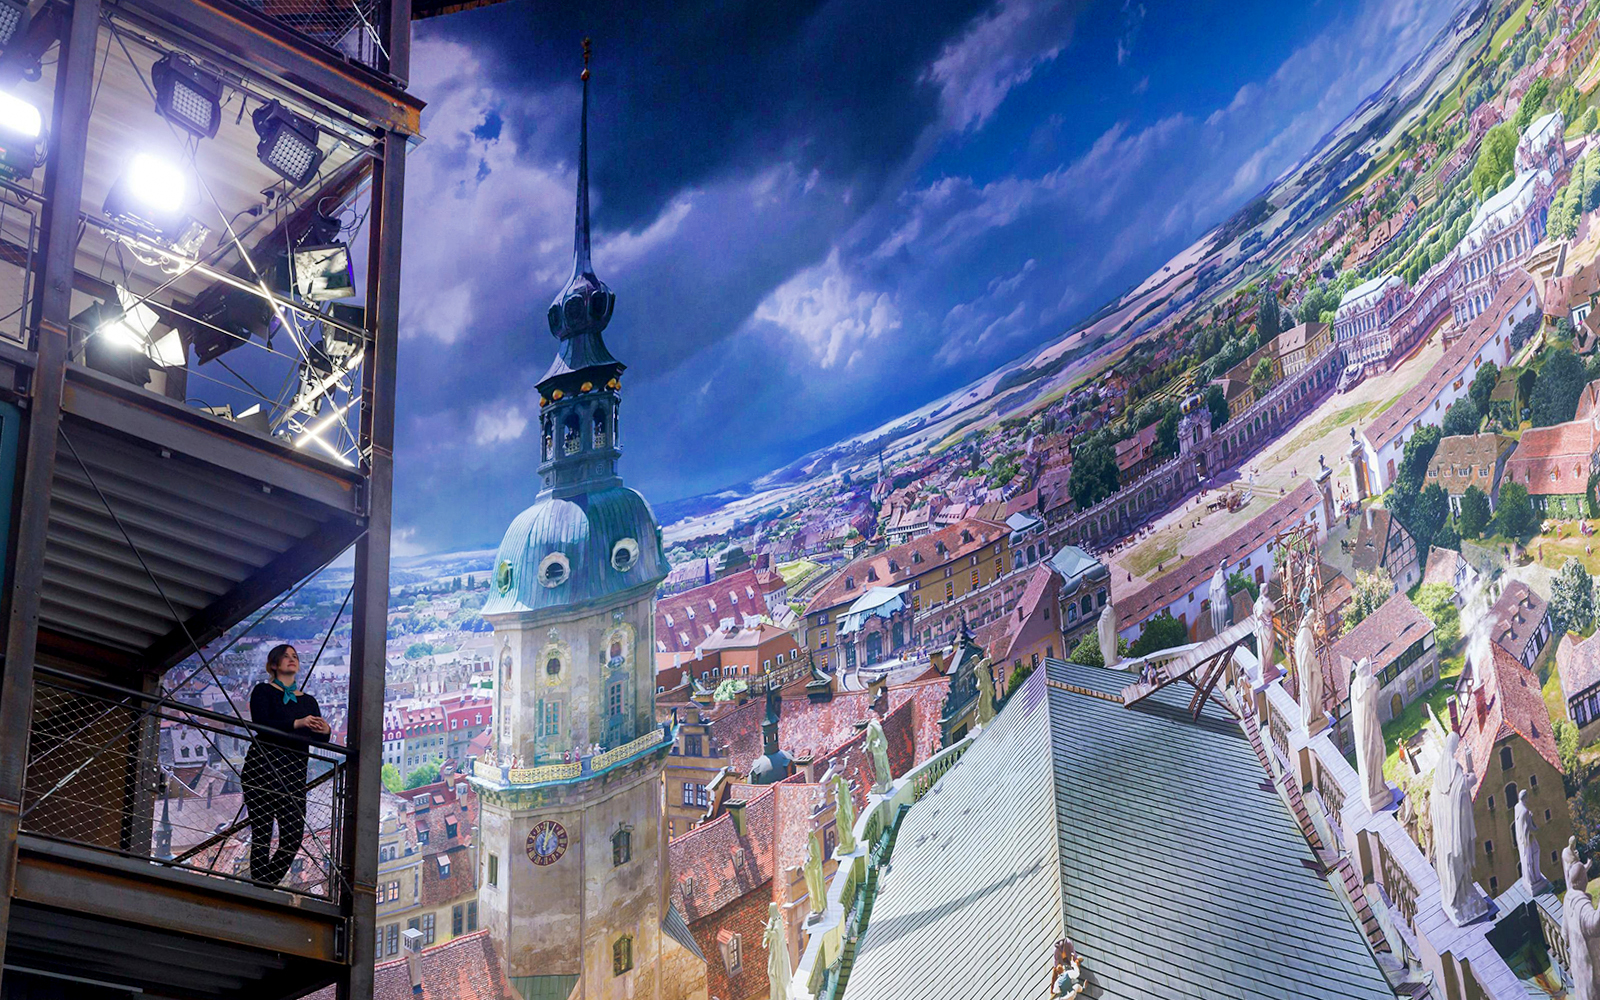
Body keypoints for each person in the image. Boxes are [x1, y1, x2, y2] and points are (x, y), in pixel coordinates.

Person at [243, 644, 330, 885]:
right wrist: (297, 723)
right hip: (263, 768)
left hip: (292, 773)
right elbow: (262, 723)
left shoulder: (309, 701)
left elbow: (319, 737)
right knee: (262, 831)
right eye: (285, 657)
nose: (291, 660)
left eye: (294, 657)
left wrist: (326, 730)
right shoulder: (262, 691)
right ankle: (262, 887)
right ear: (273, 665)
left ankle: (264, 885)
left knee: (292, 835)